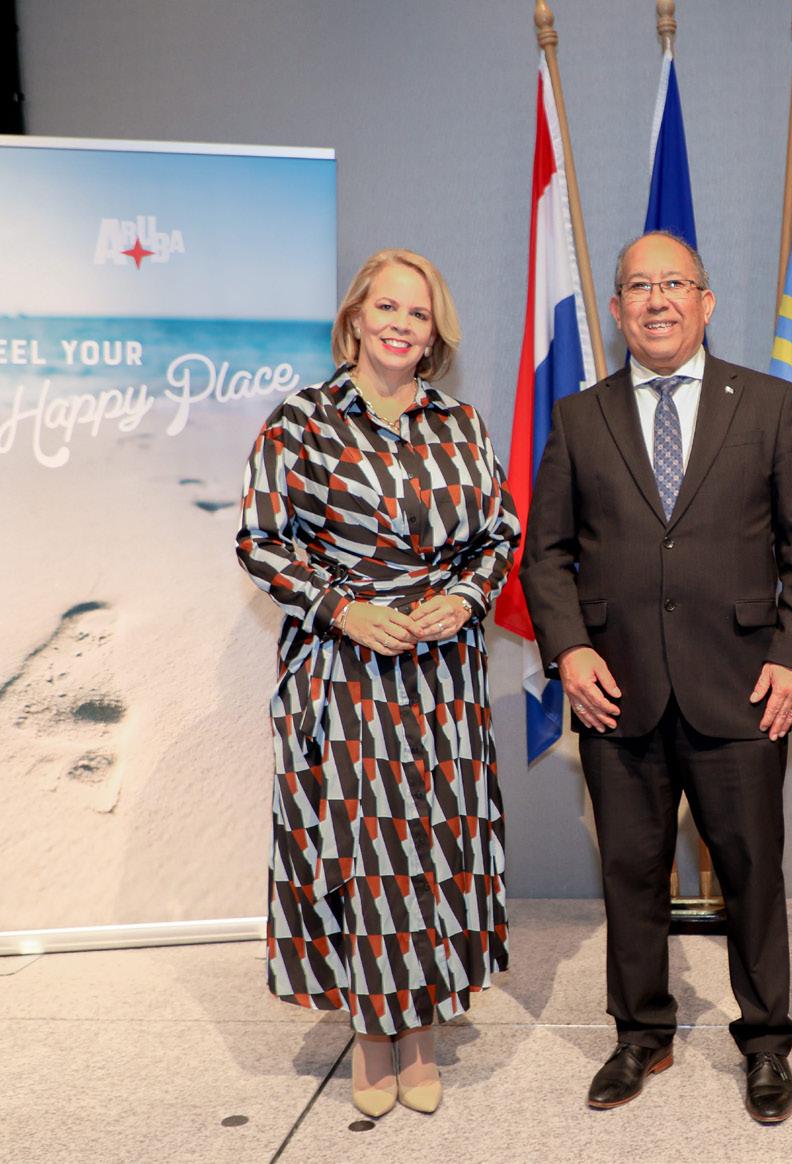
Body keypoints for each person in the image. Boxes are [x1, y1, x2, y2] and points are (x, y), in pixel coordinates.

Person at [519, 231, 792, 1124]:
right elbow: (546, 555)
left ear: (706, 301)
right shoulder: (580, 417)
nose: (657, 300)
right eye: (638, 287)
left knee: (752, 871)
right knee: (630, 871)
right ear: (617, 310)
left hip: (743, 685)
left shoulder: (768, 403)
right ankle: (640, 1033)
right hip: (614, 690)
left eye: (675, 284)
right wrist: (570, 650)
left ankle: (766, 1042)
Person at [236, 248, 519, 1118]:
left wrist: (464, 599)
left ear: (436, 334)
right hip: (344, 672)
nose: (401, 324)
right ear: (356, 317)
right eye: (387, 307)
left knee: (435, 850)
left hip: (441, 676)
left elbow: (498, 534)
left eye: (418, 314)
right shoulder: (300, 421)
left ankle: (423, 1030)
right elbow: (260, 542)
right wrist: (342, 610)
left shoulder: (460, 423)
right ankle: (370, 1035)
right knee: (361, 853)